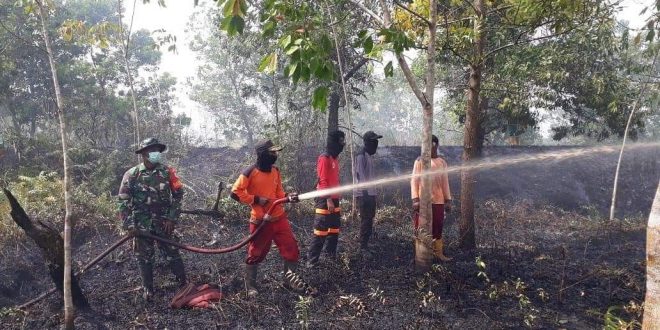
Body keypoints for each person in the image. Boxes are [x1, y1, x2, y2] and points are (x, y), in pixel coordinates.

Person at [231, 139, 315, 297]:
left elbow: (278, 193)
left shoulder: (275, 171)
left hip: (279, 218)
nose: (275, 155)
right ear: (263, 154)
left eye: (276, 152)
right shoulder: (250, 172)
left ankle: (289, 281)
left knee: (291, 249)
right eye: (272, 152)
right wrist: (255, 199)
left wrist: (288, 197)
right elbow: (235, 192)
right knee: (256, 253)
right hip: (261, 221)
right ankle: (250, 285)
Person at [118, 137, 187, 301]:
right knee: (144, 257)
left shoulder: (168, 172)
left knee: (172, 252)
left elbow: (178, 195)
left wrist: (172, 218)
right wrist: (129, 226)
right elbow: (123, 201)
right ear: (143, 154)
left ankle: (183, 283)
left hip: (164, 222)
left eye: (158, 150)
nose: (156, 153)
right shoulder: (131, 175)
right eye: (152, 150)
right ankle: (148, 289)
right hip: (141, 224)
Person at [410, 135, 452, 261]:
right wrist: (415, 199)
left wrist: (448, 200)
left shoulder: (442, 163)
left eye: (432, 145)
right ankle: (421, 255)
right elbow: (414, 181)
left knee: (438, 226)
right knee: (421, 228)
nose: (429, 148)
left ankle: (438, 253)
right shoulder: (419, 161)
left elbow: (445, 182)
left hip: (438, 201)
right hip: (423, 202)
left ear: (436, 146)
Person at [307, 130, 345, 268]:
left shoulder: (335, 158)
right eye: (340, 141)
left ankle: (330, 258)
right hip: (324, 199)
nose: (343, 144)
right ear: (334, 142)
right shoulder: (325, 158)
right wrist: (328, 198)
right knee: (321, 230)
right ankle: (312, 261)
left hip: (334, 199)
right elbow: (323, 180)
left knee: (334, 229)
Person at [354, 130, 382, 255]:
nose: (376, 144)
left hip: (370, 193)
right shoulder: (361, 155)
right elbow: (360, 176)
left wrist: (373, 194)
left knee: (369, 219)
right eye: (374, 141)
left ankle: (366, 243)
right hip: (364, 194)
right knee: (365, 219)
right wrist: (365, 195)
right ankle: (362, 247)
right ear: (367, 143)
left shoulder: (368, 156)